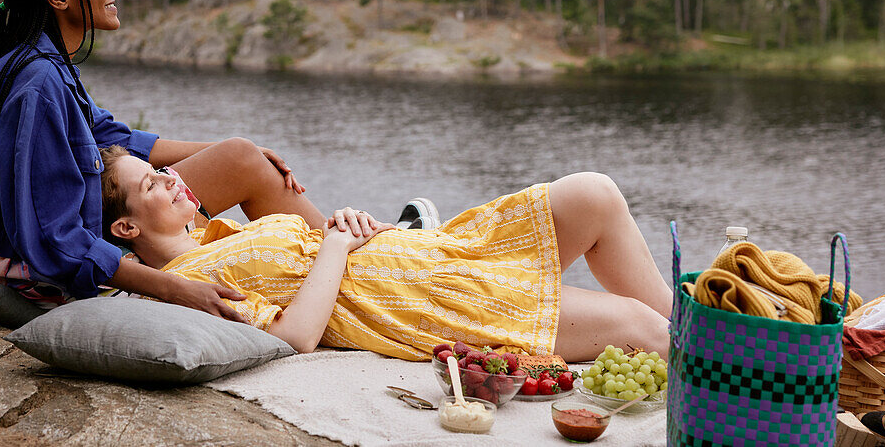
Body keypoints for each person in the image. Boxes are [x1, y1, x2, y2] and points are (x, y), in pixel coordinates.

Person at [0, 0, 342, 321]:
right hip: (39, 274)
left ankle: (341, 248)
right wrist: (175, 287)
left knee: (241, 156)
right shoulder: (37, 84)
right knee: (241, 176)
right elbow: (53, 239)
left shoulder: (39, 61)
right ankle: (345, 262)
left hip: (54, 244)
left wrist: (227, 152)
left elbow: (113, 138)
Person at [100, 145, 672, 361]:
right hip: (421, 302)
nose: (173, 180)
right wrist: (336, 245)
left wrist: (353, 228)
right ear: (125, 226)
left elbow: (318, 246)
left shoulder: (213, 237)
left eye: (162, 172)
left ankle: (706, 322)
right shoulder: (186, 283)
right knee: (643, 330)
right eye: (152, 184)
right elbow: (294, 336)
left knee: (594, 193)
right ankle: (739, 364)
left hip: (429, 250)